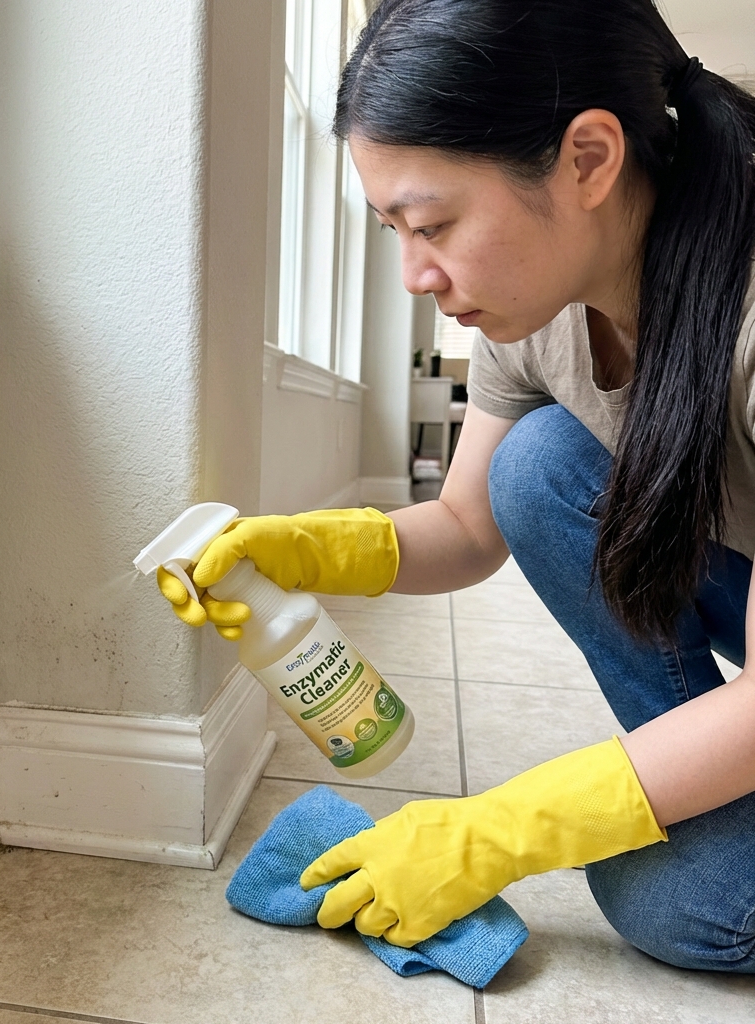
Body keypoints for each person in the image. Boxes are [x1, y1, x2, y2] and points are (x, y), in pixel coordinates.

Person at [157, 0, 755, 972]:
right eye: (392, 227)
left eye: (431, 223)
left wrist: (494, 832)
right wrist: (298, 548)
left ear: (589, 160)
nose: (411, 274)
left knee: (669, 895)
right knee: (536, 468)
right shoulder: (533, 313)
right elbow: (468, 523)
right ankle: (699, 781)